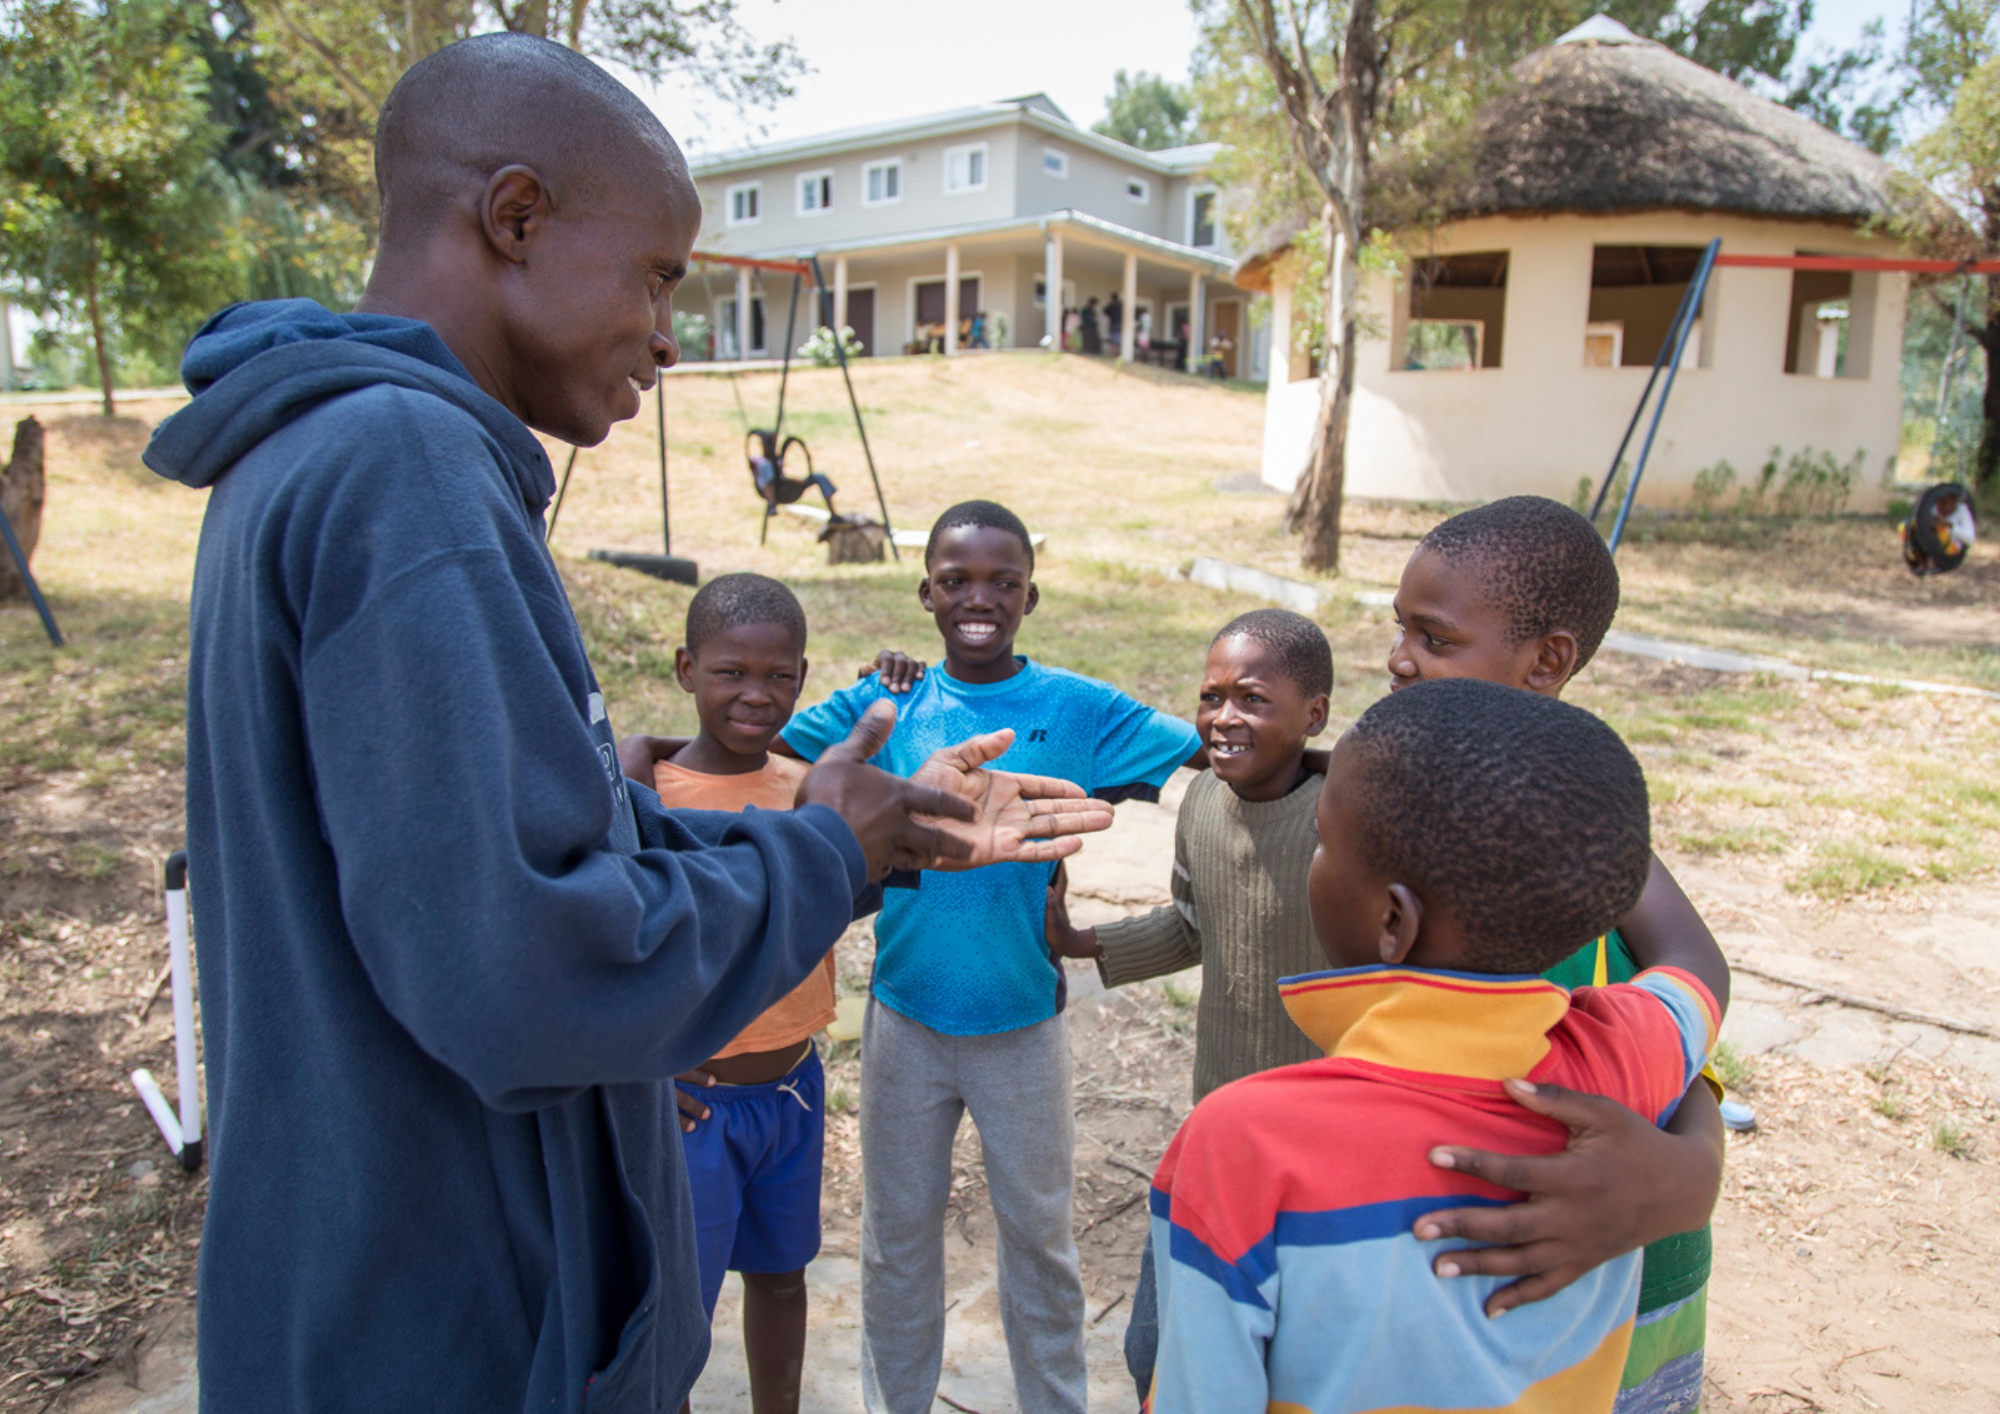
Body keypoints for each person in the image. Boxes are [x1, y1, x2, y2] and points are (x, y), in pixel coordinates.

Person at [143, 35, 1112, 1414]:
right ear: (516, 217)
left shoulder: (316, 455)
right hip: (450, 1324)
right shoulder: (403, 472)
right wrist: (827, 854)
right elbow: (528, 967)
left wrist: (845, 825)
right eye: (658, 274)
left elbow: (495, 840)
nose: (667, 331)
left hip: (380, 1283)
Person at [1145, 678, 1725, 1413]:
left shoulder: (1243, 1143)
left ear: (1393, 921)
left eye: (1323, 839)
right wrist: (1698, 1158)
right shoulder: (1615, 1064)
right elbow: (1697, 967)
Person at [777, 500, 1204, 1414]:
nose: (980, 598)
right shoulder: (886, 704)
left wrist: (1356, 763)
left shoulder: (1078, 708)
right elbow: (769, 756)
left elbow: (1222, 744)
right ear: (925, 592)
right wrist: (868, 703)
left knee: (1040, 1242)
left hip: (1022, 1028)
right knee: (896, 1241)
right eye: (957, 580)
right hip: (906, 1021)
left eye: (1002, 582)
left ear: (1030, 597)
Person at [1386, 495, 1732, 1410]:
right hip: (1483, 1281)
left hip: (1615, 1284)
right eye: (1398, 630)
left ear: (1549, 661)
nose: (1398, 659)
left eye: (1435, 638)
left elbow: (1686, 989)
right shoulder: (1396, 800)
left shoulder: (1574, 833)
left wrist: (1687, 1175)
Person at [622, 573, 830, 1414]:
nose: (756, 694)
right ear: (685, 669)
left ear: (803, 678)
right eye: (729, 673)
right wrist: (642, 1072)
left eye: (779, 676)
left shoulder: (810, 790)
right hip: (690, 1107)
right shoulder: (646, 798)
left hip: (792, 1091)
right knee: (677, 1307)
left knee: (782, 1279)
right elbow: (625, 949)